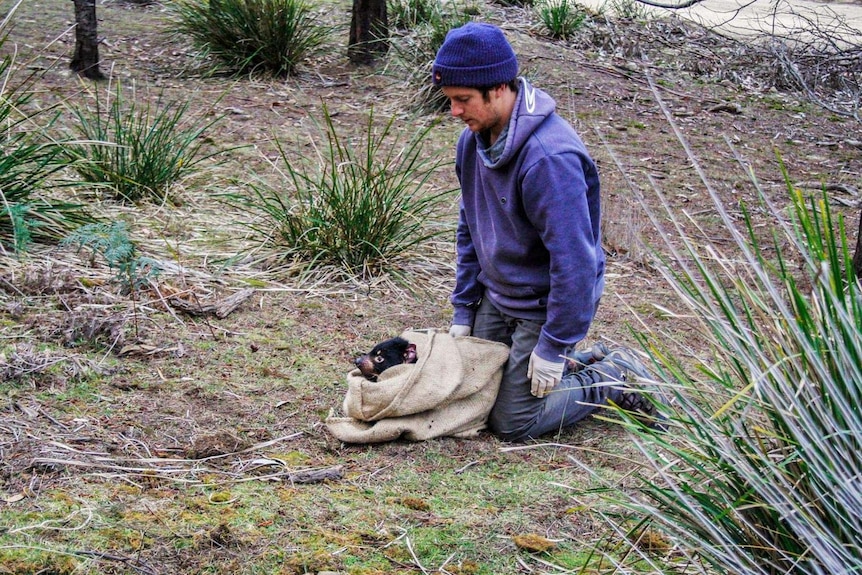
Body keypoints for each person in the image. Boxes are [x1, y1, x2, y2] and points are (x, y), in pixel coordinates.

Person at [432, 22, 664, 442]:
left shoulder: (548, 159)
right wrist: (464, 309)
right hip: (497, 294)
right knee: (471, 397)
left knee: (512, 422)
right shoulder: (473, 141)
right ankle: (582, 361)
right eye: (450, 100)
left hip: (543, 302)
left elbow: (575, 261)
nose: (455, 112)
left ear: (499, 87)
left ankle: (616, 375)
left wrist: (554, 345)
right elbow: (470, 226)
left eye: (463, 100)